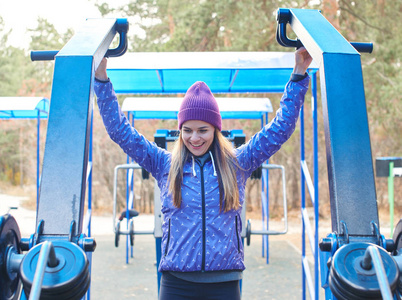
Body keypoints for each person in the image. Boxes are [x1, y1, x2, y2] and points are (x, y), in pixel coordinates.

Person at [94, 48, 312, 300]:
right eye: (187, 130)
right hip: (176, 283)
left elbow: (280, 129)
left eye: (203, 130)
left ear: (215, 130)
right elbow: (120, 131)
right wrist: (101, 79)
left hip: (224, 282)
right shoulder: (164, 164)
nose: (194, 138)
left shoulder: (236, 163)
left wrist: (298, 75)